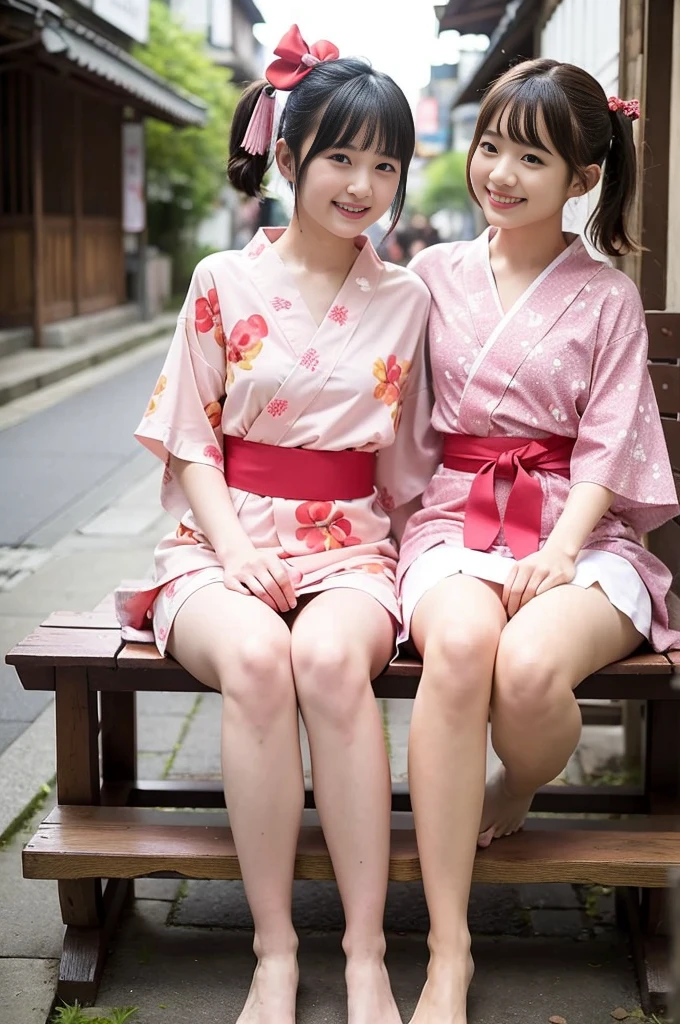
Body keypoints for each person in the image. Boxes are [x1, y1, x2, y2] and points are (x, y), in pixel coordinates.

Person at [116, 24, 439, 1024]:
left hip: (348, 541)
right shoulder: (222, 281)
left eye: (383, 163)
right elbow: (189, 444)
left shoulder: (407, 298)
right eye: (340, 156)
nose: (363, 183)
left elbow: (406, 464)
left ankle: (365, 951)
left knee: (334, 666)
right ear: (289, 156)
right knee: (258, 661)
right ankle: (271, 949)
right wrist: (240, 548)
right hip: (223, 538)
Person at [395, 58, 680, 1024]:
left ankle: (516, 779)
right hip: (454, 516)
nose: (501, 173)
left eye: (532, 156)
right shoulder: (430, 274)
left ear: (584, 179)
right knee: (467, 647)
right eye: (491, 147)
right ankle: (448, 947)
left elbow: (610, 439)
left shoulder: (605, 297)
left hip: (577, 526)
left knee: (523, 674)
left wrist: (561, 548)